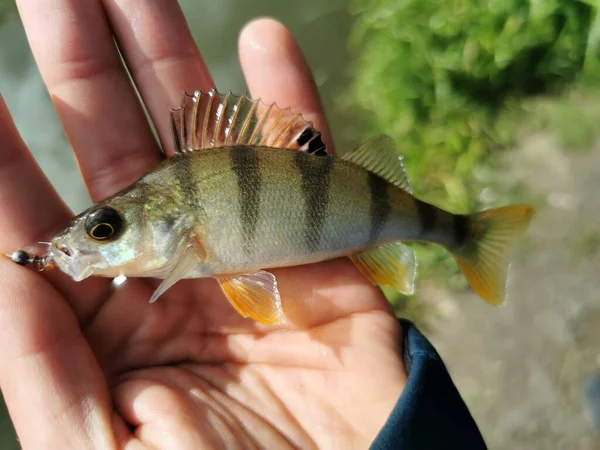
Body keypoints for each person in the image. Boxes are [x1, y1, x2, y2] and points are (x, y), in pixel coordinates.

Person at [0, 1, 486, 448]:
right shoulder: (174, 229)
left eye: (105, 230)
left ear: (168, 217)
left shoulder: (185, 228)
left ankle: (466, 235)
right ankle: (465, 235)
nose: (90, 244)